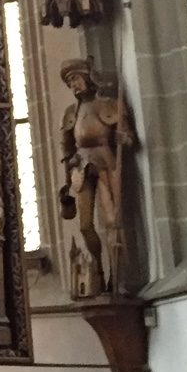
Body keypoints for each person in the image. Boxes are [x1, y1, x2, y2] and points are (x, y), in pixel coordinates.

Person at [59, 57, 135, 294]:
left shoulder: (110, 104)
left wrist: (124, 137)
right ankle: (99, 274)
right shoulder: (71, 113)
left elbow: (128, 138)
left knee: (113, 221)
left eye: (77, 79)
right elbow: (67, 150)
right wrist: (66, 184)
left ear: (88, 78)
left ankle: (118, 276)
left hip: (106, 162)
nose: (74, 86)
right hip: (81, 167)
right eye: (70, 83)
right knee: (85, 226)